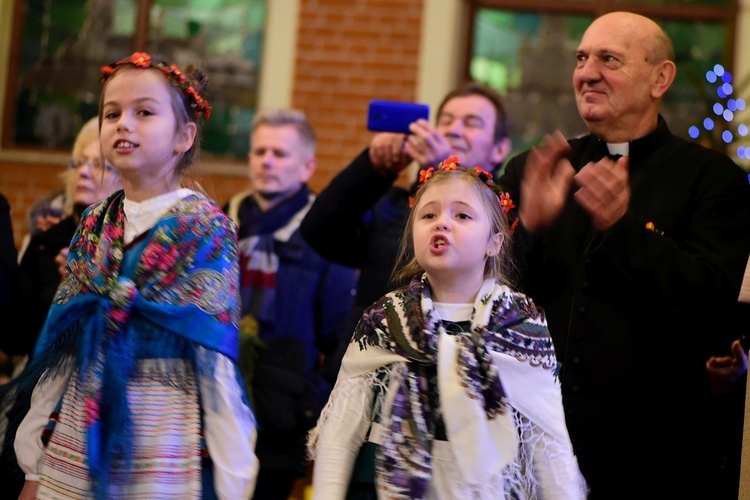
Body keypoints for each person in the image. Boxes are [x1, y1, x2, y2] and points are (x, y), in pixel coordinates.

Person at [496, 12, 750, 498]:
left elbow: (711, 301)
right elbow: (485, 297)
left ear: (661, 78)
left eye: (608, 59)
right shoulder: (536, 168)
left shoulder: (712, 180)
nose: (587, 72)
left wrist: (623, 230)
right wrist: (528, 226)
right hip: (532, 448)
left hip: (655, 458)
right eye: (581, 58)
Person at [1, 51, 258, 499]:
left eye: (144, 112)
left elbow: (214, 358)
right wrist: (32, 458)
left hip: (160, 425)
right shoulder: (95, 222)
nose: (124, 124)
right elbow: (61, 340)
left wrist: (234, 479)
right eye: (111, 113)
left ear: (184, 136)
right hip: (83, 419)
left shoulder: (205, 229)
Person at [307, 157, 587, 499]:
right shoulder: (385, 319)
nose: (442, 224)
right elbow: (341, 430)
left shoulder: (521, 324)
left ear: (494, 243)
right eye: (429, 215)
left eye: (462, 215)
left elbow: (549, 441)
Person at [300, 82, 512, 376]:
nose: (453, 130)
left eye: (471, 123)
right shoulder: (394, 205)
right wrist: (373, 169)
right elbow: (319, 233)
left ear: (500, 148)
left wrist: (445, 172)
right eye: (446, 121)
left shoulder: (505, 218)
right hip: (370, 373)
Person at [223, 108, 358, 499]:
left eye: (279, 154)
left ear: (307, 166)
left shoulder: (325, 231)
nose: (266, 161)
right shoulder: (220, 221)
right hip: (217, 405)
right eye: (259, 151)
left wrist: (309, 403)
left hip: (282, 418)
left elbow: (340, 335)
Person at [0, 116, 124, 498]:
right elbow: (14, 335)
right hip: (34, 403)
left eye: (99, 164)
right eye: (78, 163)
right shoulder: (46, 239)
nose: (85, 172)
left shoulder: (130, 243)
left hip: (96, 412)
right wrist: (59, 288)